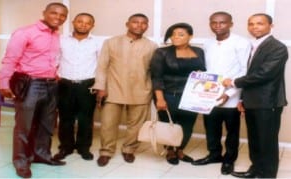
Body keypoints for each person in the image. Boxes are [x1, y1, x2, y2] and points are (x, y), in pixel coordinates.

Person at [0, 2, 68, 178]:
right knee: (24, 127)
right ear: (44, 13)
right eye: (54, 13)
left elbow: (54, 59)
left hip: (52, 84)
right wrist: (4, 84)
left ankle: (41, 155)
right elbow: (10, 59)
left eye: (63, 15)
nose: (58, 18)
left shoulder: (56, 35)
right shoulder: (25, 32)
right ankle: (21, 161)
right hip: (30, 85)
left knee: (47, 125)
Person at [222, 13, 288, 178]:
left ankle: (267, 174)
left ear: (270, 26)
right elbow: (250, 73)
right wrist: (242, 99)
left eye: (259, 24)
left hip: (268, 102)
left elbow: (263, 74)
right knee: (255, 139)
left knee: (267, 141)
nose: (254, 27)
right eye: (251, 24)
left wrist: (233, 82)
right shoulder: (254, 45)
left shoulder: (277, 47)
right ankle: (255, 169)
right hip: (252, 101)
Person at [92, 13, 157, 167]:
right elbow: (102, 67)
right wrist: (101, 87)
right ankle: (106, 152)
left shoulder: (152, 46)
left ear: (147, 26)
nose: (139, 25)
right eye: (135, 22)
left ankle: (129, 149)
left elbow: (153, 70)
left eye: (143, 23)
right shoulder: (111, 42)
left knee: (136, 125)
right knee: (108, 124)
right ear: (127, 24)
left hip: (140, 90)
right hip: (113, 89)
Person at [192, 11, 251, 175]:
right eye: (214, 22)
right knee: (211, 128)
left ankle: (229, 160)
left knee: (232, 131)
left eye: (222, 22)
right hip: (209, 96)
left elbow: (244, 72)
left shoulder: (241, 42)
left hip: (230, 96)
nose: (218, 26)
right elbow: (208, 69)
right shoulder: (208, 43)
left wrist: (229, 93)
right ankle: (214, 155)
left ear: (230, 24)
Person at [150, 23, 206, 165]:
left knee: (187, 124)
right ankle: (170, 151)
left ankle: (180, 150)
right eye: (173, 34)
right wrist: (160, 98)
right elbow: (156, 77)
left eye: (181, 34)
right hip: (169, 94)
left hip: (192, 96)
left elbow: (203, 71)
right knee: (169, 124)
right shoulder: (161, 52)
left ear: (190, 36)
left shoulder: (199, 51)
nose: (176, 37)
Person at [53, 13, 100, 161]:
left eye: (87, 23)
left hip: (87, 85)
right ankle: (65, 148)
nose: (83, 25)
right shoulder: (61, 40)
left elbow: (102, 66)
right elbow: (54, 59)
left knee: (86, 119)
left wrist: (100, 86)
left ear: (92, 25)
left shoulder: (97, 43)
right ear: (73, 22)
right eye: (80, 21)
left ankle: (83, 148)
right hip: (65, 84)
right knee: (65, 118)